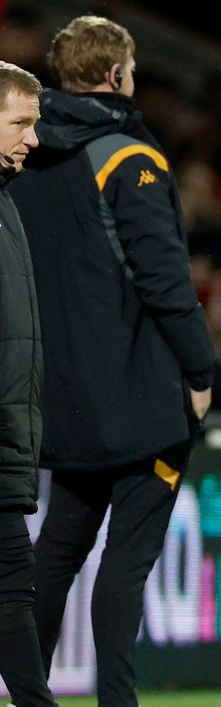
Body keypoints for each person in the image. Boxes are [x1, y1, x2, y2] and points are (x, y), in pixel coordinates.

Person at [10, 16, 214, 707]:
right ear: (120, 74)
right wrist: (201, 371)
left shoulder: (26, 155)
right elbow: (164, 280)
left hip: (62, 396)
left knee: (56, 552)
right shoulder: (130, 157)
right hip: (142, 395)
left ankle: (27, 692)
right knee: (125, 564)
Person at [0, 61, 59, 707]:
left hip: (8, 438)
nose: (33, 138)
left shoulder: (7, 202)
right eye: (20, 122)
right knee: (14, 581)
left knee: (15, 583)